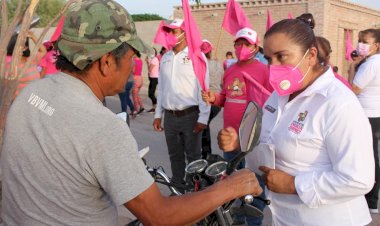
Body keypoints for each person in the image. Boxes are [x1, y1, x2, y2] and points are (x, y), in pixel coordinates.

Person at [1, 1, 263, 225]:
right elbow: (158, 216)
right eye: (130, 58)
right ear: (105, 62)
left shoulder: (31, 94)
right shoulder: (103, 127)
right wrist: (229, 187)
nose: (131, 68)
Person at [218, 18, 375, 226]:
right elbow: (269, 143)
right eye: (269, 58)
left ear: (310, 55)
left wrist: (295, 184)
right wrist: (241, 143)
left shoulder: (339, 103)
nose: (273, 67)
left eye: (281, 56)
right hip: (285, 218)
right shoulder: (279, 95)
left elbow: (358, 178)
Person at [202, 27, 272, 226]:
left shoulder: (263, 70)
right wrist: (214, 98)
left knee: (254, 186)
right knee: (233, 183)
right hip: (230, 141)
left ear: (255, 47)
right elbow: (226, 97)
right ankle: (240, 219)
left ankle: (253, 221)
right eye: (238, 43)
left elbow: (271, 101)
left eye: (246, 44)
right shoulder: (231, 69)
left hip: (252, 140)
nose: (241, 47)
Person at [153, 18, 211, 186]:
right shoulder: (165, 58)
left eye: (174, 31)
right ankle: (178, 188)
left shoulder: (196, 56)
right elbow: (162, 88)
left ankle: (194, 190)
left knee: (193, 157)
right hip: (170, 117)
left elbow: (204, 88)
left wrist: (203, 118)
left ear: (185, 34)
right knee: (174, 156)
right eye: (168, 31)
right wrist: (158, 114)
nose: (170, 35)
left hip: (190, 115)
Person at [349, 28, 380, 214]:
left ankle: (370, 199)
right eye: (359, 40)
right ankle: (372, 199)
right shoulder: (372, 62)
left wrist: (353, 67)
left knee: (367, 156)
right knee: (372, 155)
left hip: (367, 114)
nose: (361, 44)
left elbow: (354, 89)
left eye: (365, 41)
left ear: (376, 46)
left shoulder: (371, 64)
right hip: (374, 113)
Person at [199, 39, 223, 158]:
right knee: (205, 125)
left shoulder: (200, 65)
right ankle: (205, 152)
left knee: (203, 125)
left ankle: (206, 153)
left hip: (207, 99)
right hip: (217, 100)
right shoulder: (218, 64)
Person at [6, 31, 46, 97]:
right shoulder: (12, 66)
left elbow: (43, 50)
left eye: (23, 46)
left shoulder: (32, 60)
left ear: (25, 48)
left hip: (36, 99)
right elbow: (9, 90)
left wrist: (32, 36)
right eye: (16, 47)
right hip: (22, 100)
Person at [146, 47, 159, 113]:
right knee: (150, 94)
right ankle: (154, 107)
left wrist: (147, 62)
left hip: (154, 78)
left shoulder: (154, 59)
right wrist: (148, 62)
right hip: (152, 78)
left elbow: (150, 69)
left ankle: (157, 106)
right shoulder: (153, 59)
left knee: (151, 94)